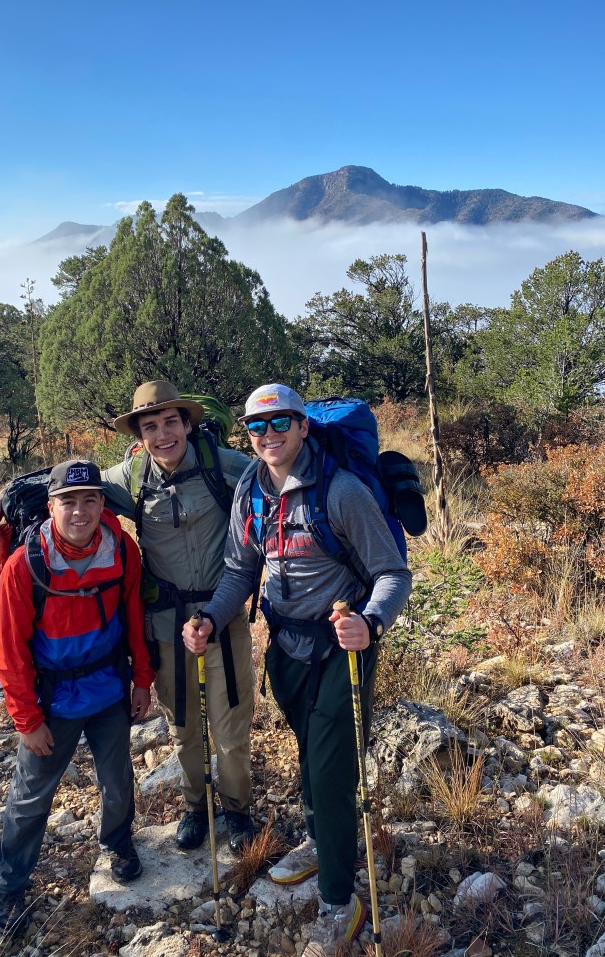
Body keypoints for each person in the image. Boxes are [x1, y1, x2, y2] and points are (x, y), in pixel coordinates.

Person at [182, 383, 412, 953]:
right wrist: (210, 616)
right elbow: (240, 570)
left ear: (304, 426)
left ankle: (340, 898)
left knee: (332, 765)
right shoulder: (250, 491)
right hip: (285, 646)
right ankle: (319, 838)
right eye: (257, 427)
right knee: (310, 750)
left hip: (343, 647)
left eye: (281, 423)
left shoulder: (342, 490)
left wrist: (372, 623)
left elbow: (392, 574)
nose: (269, 436)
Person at [0, 381, 256, 854]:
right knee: (184, 728)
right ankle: (196, 807)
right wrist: (11, 492)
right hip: (168, 626)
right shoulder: (129, 476)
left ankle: (236, 809)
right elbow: (74, 482)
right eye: (150, 426)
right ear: (138, 434)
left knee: (231, 729)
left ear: (188, 424)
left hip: (223, 615)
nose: (163, 435)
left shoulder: (225, 467)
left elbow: (275, 473)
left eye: (171, 422)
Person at [0, 460, 153, 942]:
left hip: (107, 689)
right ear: (51, 505)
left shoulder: (122, 549)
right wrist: (26, 719)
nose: (79, 511)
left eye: (90, 500)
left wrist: (142, 680)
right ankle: (10, 890)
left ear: (103, 503)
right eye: (68, 501)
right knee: (29, 800)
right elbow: (9, 652)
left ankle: (118, 844)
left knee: (118, 778)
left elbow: (134, 615)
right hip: (51, 700)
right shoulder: (26, 564)